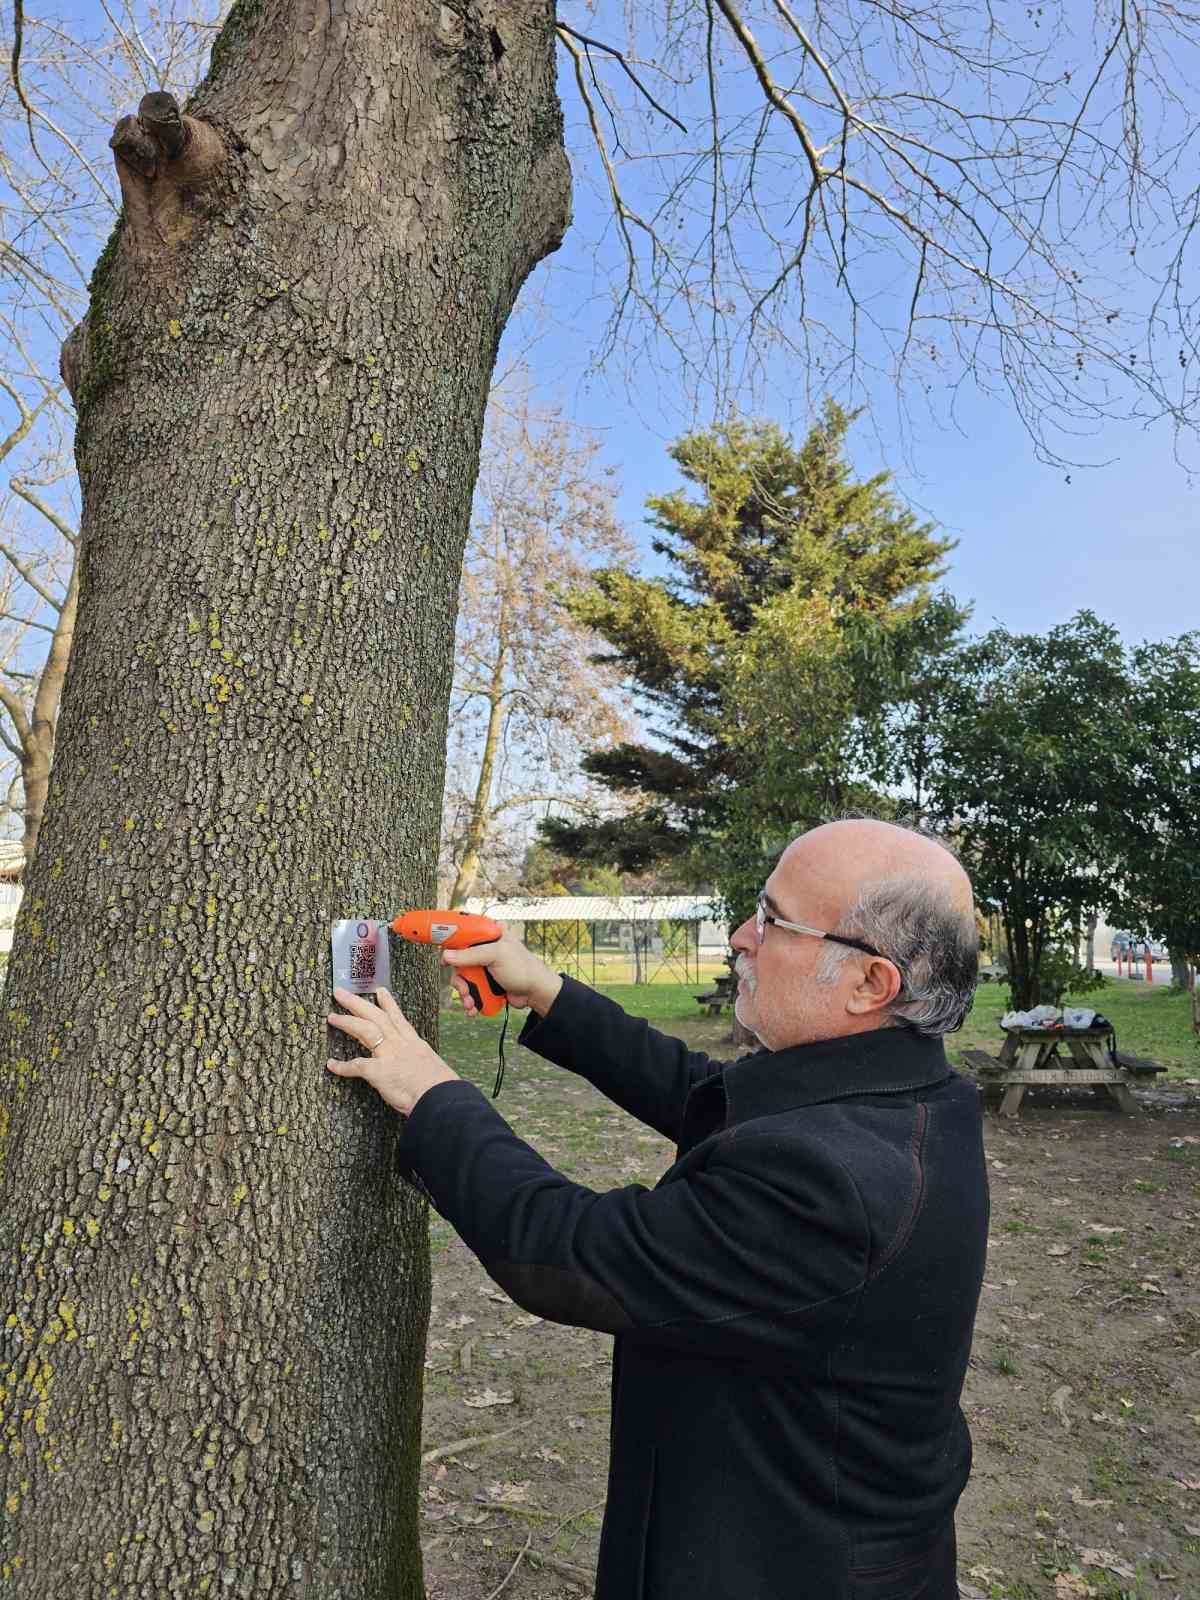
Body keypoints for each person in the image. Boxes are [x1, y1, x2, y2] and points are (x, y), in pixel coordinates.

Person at [325, 818, 989, 1600]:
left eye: (774, 922)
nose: (742, 936)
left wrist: (434, 1096)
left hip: (781, 1564)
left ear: (870, 984)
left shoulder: (836, 1181)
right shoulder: (899, 1094)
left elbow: (571, 1253)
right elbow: (707, 1096)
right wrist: (547, 991)